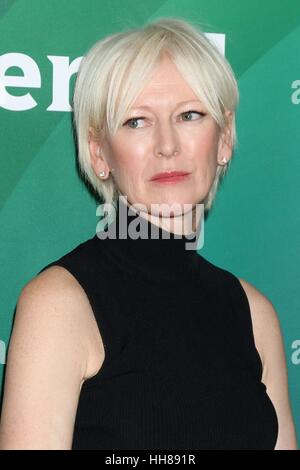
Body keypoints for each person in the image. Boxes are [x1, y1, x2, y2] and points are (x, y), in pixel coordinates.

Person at [0, 17, 297, 450]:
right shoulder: (60, 304)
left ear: (225, 137)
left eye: (189, 115)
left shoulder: (254, 313)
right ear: (100, 152)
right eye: (136, 121)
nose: (167, 145)